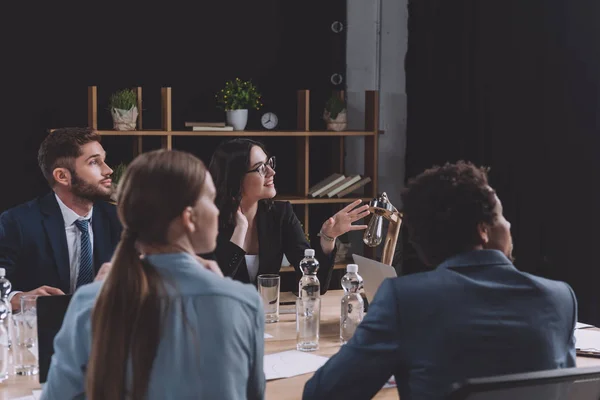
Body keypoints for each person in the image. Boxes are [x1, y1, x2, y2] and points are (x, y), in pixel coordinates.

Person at [303, 161, 577, 400]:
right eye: (501, 216)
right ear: (483, 231)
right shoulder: (560, 298)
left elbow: (323, 394)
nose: (509, 226)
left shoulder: (405, 300)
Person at [41, 149, 265, 400]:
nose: (216, 210)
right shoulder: (243, 302)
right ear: (189, 218)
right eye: (211, 200)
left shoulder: (89, 302)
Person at [204, 138, 370, 293]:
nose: (272, 172)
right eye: (261, 168)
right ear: (236, 178)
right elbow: (213, 288)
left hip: (268, 317)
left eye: (269, 163)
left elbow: (312, 285)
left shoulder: (281, 214)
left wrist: (328, 237)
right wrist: (241, 230)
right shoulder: (207, 221)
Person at [0, 127, 122, 311]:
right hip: (42, 334)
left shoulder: (120, 220)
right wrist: (18, 298)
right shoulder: (17, 223)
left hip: (106, 333)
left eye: (103, 160)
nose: (108, 170)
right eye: (94, 162)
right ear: (62, 176)